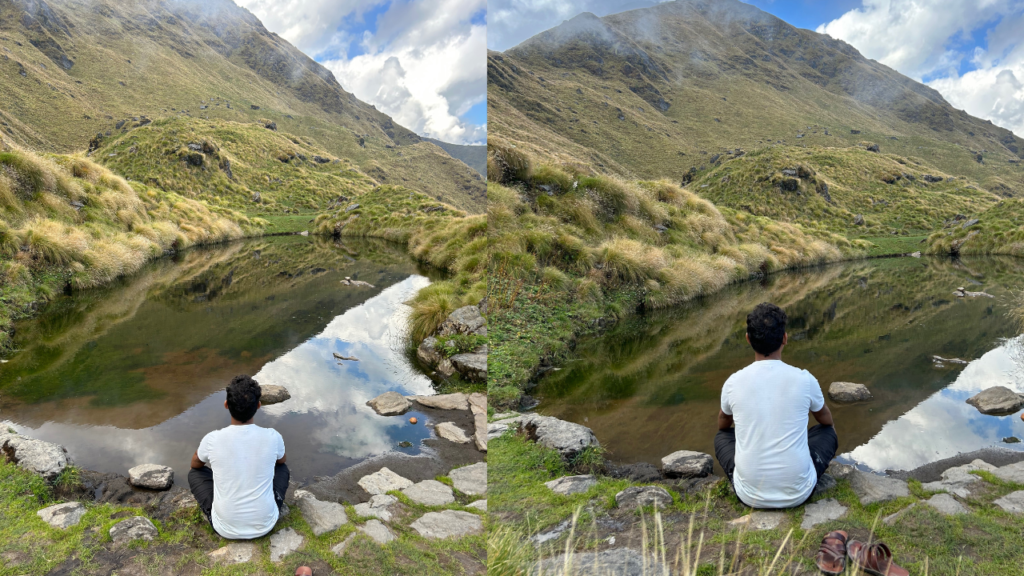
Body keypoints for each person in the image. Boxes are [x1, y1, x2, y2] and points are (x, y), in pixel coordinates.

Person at [714, 302, 838, 509]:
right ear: (785, 338)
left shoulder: (733, 382)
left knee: (722, 437)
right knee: (826, 432)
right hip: (799, 493)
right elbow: (826, 419)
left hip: (749, 495)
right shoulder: (804, 379)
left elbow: (723, 424)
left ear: (748, 339)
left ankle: (750, 476)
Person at [189, 375, 289, 539]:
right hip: (265, 524)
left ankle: (220, 508)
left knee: (194, 474)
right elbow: (282, 461)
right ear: (258, 405)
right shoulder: (272, 436)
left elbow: (195, 465)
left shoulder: (212, 439)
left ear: (226, 405)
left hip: (225, 528)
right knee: (282, 469)